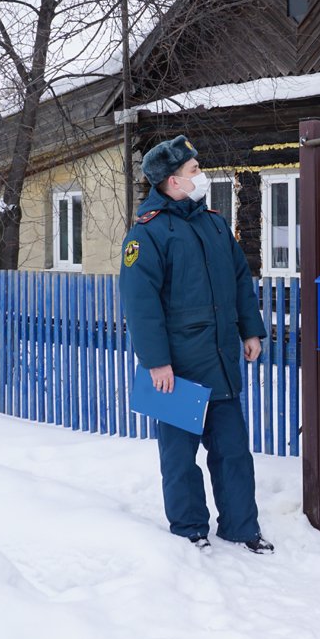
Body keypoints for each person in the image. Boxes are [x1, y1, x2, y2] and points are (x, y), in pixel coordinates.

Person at [119, 135, 274, 554]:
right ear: (173, 181)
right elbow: (141, 303)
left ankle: (241, 528)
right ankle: (190, 529)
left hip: (221, 359)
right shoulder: (146, 234)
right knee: (180, 459)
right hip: (178, 370)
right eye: (194, 170)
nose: (201, 176)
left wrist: (250, 330)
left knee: (233, 454)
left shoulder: (214, 223)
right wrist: (156, 362)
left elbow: (240, 280)